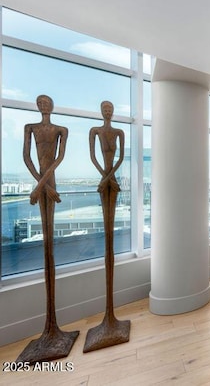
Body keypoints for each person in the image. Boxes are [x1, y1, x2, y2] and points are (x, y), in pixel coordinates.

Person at [19, 94, 78, 361]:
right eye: (41, 103)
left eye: (47, 103)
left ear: (52, 106)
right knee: (46, 246)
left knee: (50, 245)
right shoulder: (30, 129)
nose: (44, 106)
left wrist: (42, 186)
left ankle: (53, 327)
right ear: (38, 106)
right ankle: (49, 328)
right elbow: (27, 158)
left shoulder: (60, 131)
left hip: (47, 182)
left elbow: (58, 158)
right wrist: (41, 186)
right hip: (43, 183)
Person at [84, 100, 130, 352]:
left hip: (110, 180)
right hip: (106, 179)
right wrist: (105, 175)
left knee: (111, 240)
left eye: (111, 108)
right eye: (105, 108)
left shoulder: (119, 132)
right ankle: (107, 317)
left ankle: (111, 316)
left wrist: (109, 176)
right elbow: (93, 155)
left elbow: (121, 155)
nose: (108, 112)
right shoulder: (96, 131)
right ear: (101, 111)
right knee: (107, 237)